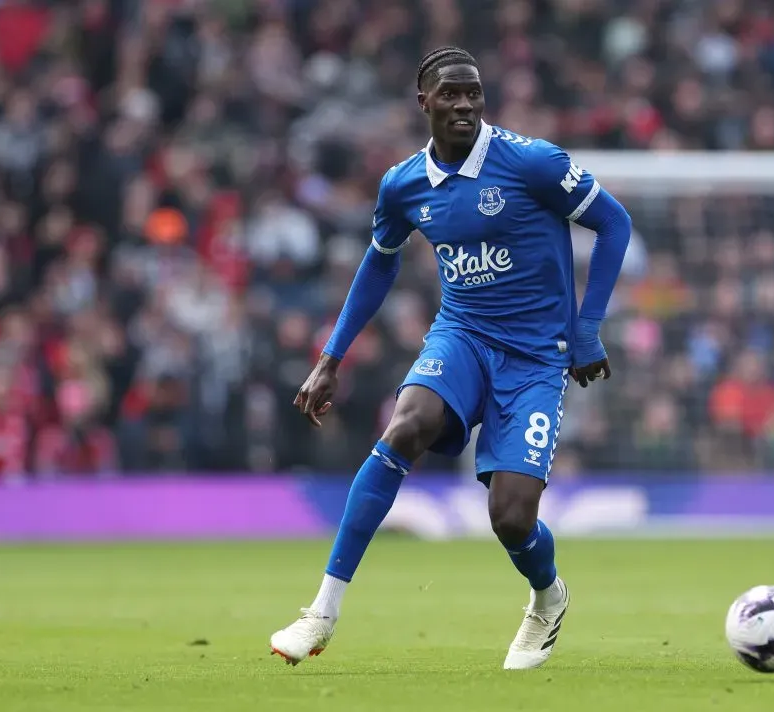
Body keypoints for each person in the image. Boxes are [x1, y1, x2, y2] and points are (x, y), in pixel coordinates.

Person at [270, 47, 634, 670]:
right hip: (461, 336)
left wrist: (587, 329)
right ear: (425, 103)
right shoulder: (403, 183)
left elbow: (614, 223)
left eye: (473, 93)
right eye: (450, 94)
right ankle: (321, 613)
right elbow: (379, 261)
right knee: (406, 425)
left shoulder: (532, 162)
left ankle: (547, 597)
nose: (464, 103)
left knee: (512, 517)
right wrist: (331, 356)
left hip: (535, 358)